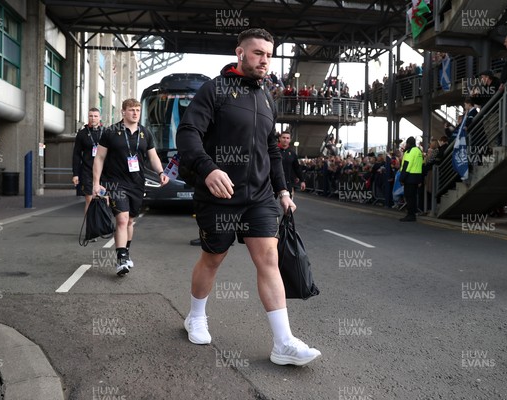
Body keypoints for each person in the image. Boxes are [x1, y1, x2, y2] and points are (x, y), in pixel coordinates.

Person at [176, 28, 321, 366]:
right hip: (219, 194)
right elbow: (188, 133)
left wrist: (282, 190)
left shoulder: (267, 97)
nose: (264, 60)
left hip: (259, 197)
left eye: (269, 54)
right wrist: (208, 169)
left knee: (269, 260)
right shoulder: (214, 90)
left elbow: (272, 149)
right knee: (213, 258)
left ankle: (283, 343)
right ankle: (195, 315)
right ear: (240, 53)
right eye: (257, 53)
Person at [92, 98, 169, 276]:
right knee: (121, 219)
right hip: (116, 182)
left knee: (130, 221)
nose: (135, 113)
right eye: (132, 110)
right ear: (123, 112)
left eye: (137, 110)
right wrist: (96, 183)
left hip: (137, 183)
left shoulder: (145, 133)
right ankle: (121, 259)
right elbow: (99, 158)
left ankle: (126, 252)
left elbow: (153, 157)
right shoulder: (111, 132)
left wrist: (160, 172)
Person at [72, 108, 103, 213]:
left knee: (104, 199)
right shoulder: (82, 134)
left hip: (104, 171)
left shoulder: (106, 132)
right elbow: (76, 154)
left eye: (95, 116)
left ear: (100, 118)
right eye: (91, 116)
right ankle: (90, 226)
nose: (93, 118)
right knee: (89, 199)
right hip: (87, 171)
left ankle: (103, 226)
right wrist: (75, 174)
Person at [399, 136, 423, 222]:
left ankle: (410, 215)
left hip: (409, 177)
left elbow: (406, 165)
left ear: (408, 143)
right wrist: (420, 179)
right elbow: (421, 165)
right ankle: (413, 213)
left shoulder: (409, 151)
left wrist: (401, 178)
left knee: (409, 197)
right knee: (413, 197)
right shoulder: (418, 151)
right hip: (417, 176)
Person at [278, 131, 306, 197]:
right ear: (279, 138)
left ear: (290, 140)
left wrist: (302, 180)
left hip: (288, 183)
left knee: (288, 205)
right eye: (283, 137)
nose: (285, 140)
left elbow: (297, 168)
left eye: (287, 138)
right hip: (274, 183)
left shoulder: (292, 154)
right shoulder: (274, 151)